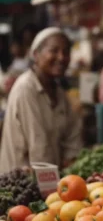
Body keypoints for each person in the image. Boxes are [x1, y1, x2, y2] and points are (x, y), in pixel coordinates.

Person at [0, 27, 82, 173]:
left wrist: (73, 164)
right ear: (36, 54)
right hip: (20, 185)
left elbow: (73, 137)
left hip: (48, 179)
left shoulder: (59, 92)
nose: (61, 57)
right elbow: (39, 149)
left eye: (66, 52)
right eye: (54, 51)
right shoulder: (26, 88)